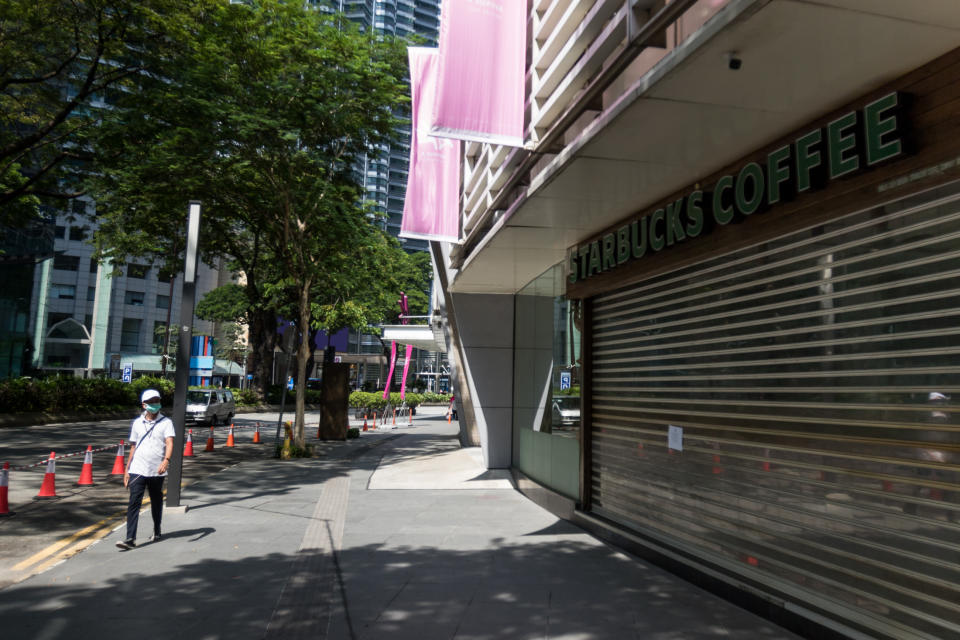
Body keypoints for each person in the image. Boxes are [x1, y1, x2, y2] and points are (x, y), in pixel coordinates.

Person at [116, 389, 175, 550]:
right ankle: (130, 539)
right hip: (138, 468)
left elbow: (170, 442)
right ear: (144, 405)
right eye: (152, 401)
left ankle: (157, 529)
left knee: (156, 502)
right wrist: (127, 469)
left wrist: (166, 460)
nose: (156, 404)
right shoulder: (137, 423)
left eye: (157, 401)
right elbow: (133, 446)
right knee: (134, 502)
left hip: (157, 470)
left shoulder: (166, 422)